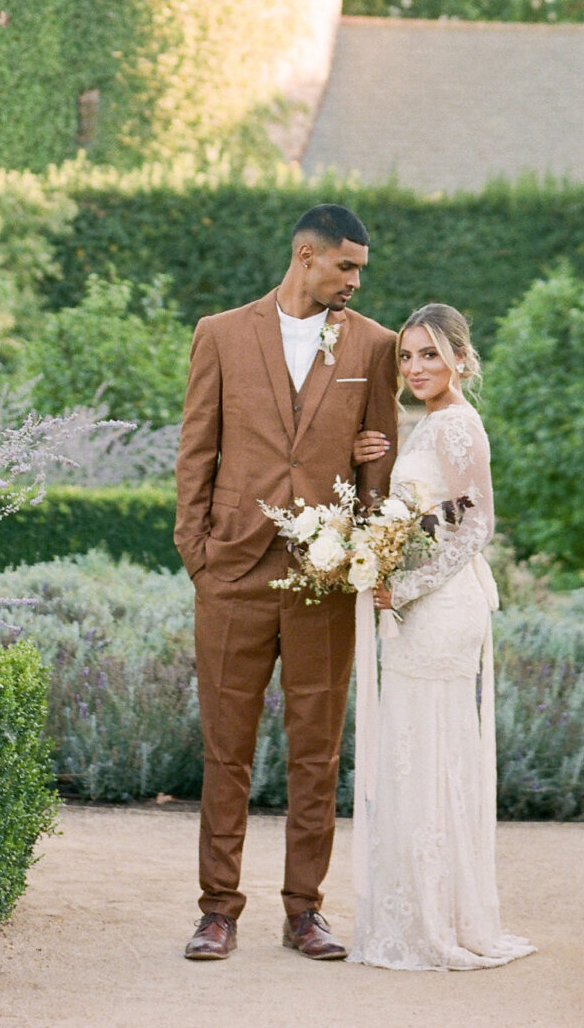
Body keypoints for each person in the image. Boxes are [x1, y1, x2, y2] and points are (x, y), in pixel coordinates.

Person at [173, 202, 399, 963]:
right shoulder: (221, 334)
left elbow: (382, 468)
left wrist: (363, 544)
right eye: (347, 266)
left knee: (316, 752)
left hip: (324, 581)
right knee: (225, 750)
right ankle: (218, 911)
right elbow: (196, 449)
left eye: (359, 269)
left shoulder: (376, 345)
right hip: (232, 573)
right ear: (307, 256)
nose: (356, 281)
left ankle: (305, 911)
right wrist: (198, 554)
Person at [346, 302, 535, 972]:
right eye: (407, 355)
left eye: (430, 353)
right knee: (410, 751)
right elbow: (419, 511)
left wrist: (409, 588)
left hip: (442, 608)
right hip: (411, 605)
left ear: (460, 356)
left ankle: (438, 921)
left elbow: (474, 526)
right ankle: (417, 913)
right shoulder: (423, 425)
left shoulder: (459, 424)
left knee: (430, 749)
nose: (417, 366)